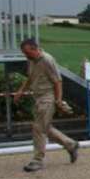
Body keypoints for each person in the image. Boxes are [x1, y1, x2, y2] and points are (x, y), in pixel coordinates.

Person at [13, 39, 79, 172]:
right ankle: (70, 144)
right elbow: (30, 77)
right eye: (24, 53)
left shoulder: (47, 60)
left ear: (34, 48)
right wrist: (21, 91)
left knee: (38, 128)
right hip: (38, 97)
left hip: (47, 98)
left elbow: (58, 81)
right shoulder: (31, 60)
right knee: (45, 127)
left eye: (26, 52)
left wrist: (58, 100)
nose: (25, 55)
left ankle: (37, 160)